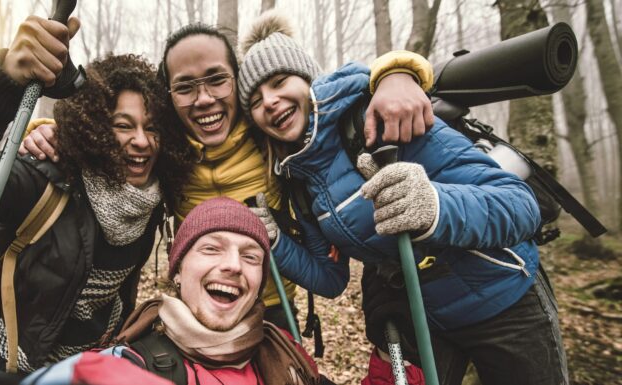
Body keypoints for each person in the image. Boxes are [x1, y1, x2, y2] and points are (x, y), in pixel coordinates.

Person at [21, 21, 435, 332]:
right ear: (168, 96)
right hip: (198, 310)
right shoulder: (167, 150)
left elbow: (325, 96)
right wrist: (43, 132)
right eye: (185, 87)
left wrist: (396, 73)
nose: (204, 99)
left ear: (239, 81)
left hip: (274, 309)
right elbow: (106, 142)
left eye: (217, 79)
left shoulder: (274, 136)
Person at [238, 12, 568, 385]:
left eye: (280, 81)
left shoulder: (376, 118)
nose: (270, 100)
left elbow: (518, 204)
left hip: (505, 301)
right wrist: (277, 242)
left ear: (308, 79)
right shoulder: (299, 179)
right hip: (427, 321)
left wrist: (435, 206)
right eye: (254, 99)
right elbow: (330, 279)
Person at [0, 16, 190, 373]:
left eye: (151, 128)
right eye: (123, 125)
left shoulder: (150, 197)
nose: (141, 140)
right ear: (95, 129)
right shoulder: (45, 176)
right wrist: (2, 80)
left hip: (96, 364)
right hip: (13, 362)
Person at [21, 197, 324, 385]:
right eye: (211, 248)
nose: (233, 265)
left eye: (250, 257)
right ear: (177, 270)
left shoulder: (287, 353)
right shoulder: (128, 365)